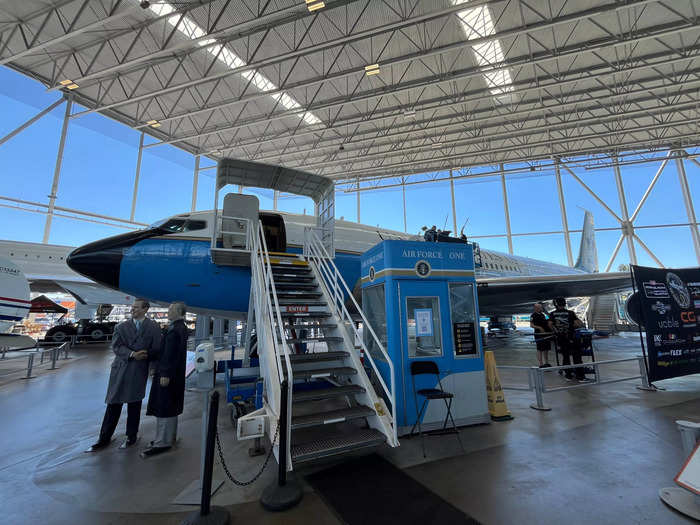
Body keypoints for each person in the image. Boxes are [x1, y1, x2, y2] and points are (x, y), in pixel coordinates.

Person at [87, 298, 162, 451]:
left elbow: (156, 348)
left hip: (139, 369)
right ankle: (104, 437)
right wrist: (132, 354)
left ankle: (131, 436)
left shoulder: (153, 327)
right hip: (121, 368)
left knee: (134, 404)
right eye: (132, 307)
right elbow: (116, 347)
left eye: (136, 307)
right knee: (113, 404)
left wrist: (150, 363)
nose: (132, 310)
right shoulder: (121, 327)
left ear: (145, 309)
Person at [141, 302, 188, 458]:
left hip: (168, 374)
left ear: (178, 312)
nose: (168, 312)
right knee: (170, 406)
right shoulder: (180, 328)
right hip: (174, 374)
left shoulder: (175, 330)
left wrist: (165, 373)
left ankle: (162, 442)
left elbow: (169, 353)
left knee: (164, 407)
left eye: (170, 310)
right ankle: (169, 438)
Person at [548, 297, 588, 382]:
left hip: (561, 339)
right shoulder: (570, 313)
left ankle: (568, 375)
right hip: (572, 338)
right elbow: (579, 324)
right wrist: (579, 325)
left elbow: (550, 324)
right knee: (577, 356)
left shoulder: (552, 314)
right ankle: (580, 376)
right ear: (565, 304)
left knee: (566, 357)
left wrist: (557, 331)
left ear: (556, 305)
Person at [530, 302, 551, 367]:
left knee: (546, 349)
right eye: (539, 307)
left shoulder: (542, 315)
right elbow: (531, 325)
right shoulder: (533, 315)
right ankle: (541, 363)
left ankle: (546, 362)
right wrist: (539, 328)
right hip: (538, 334)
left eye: (541, 307)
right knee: (540, 349)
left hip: (545, 334)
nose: (541, 309)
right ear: (535, 308)